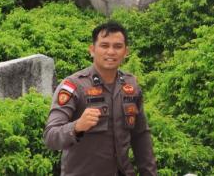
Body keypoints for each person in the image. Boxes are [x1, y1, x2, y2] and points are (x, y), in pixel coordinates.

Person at [43, 21, 157, 176]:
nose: (111, 52)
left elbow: (141, 136)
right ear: (92, 50)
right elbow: (50, 137)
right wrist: (77, 127)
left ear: (126, 52)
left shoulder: (131, 85)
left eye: (117, 47)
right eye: (104, 46)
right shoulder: (74, 86)